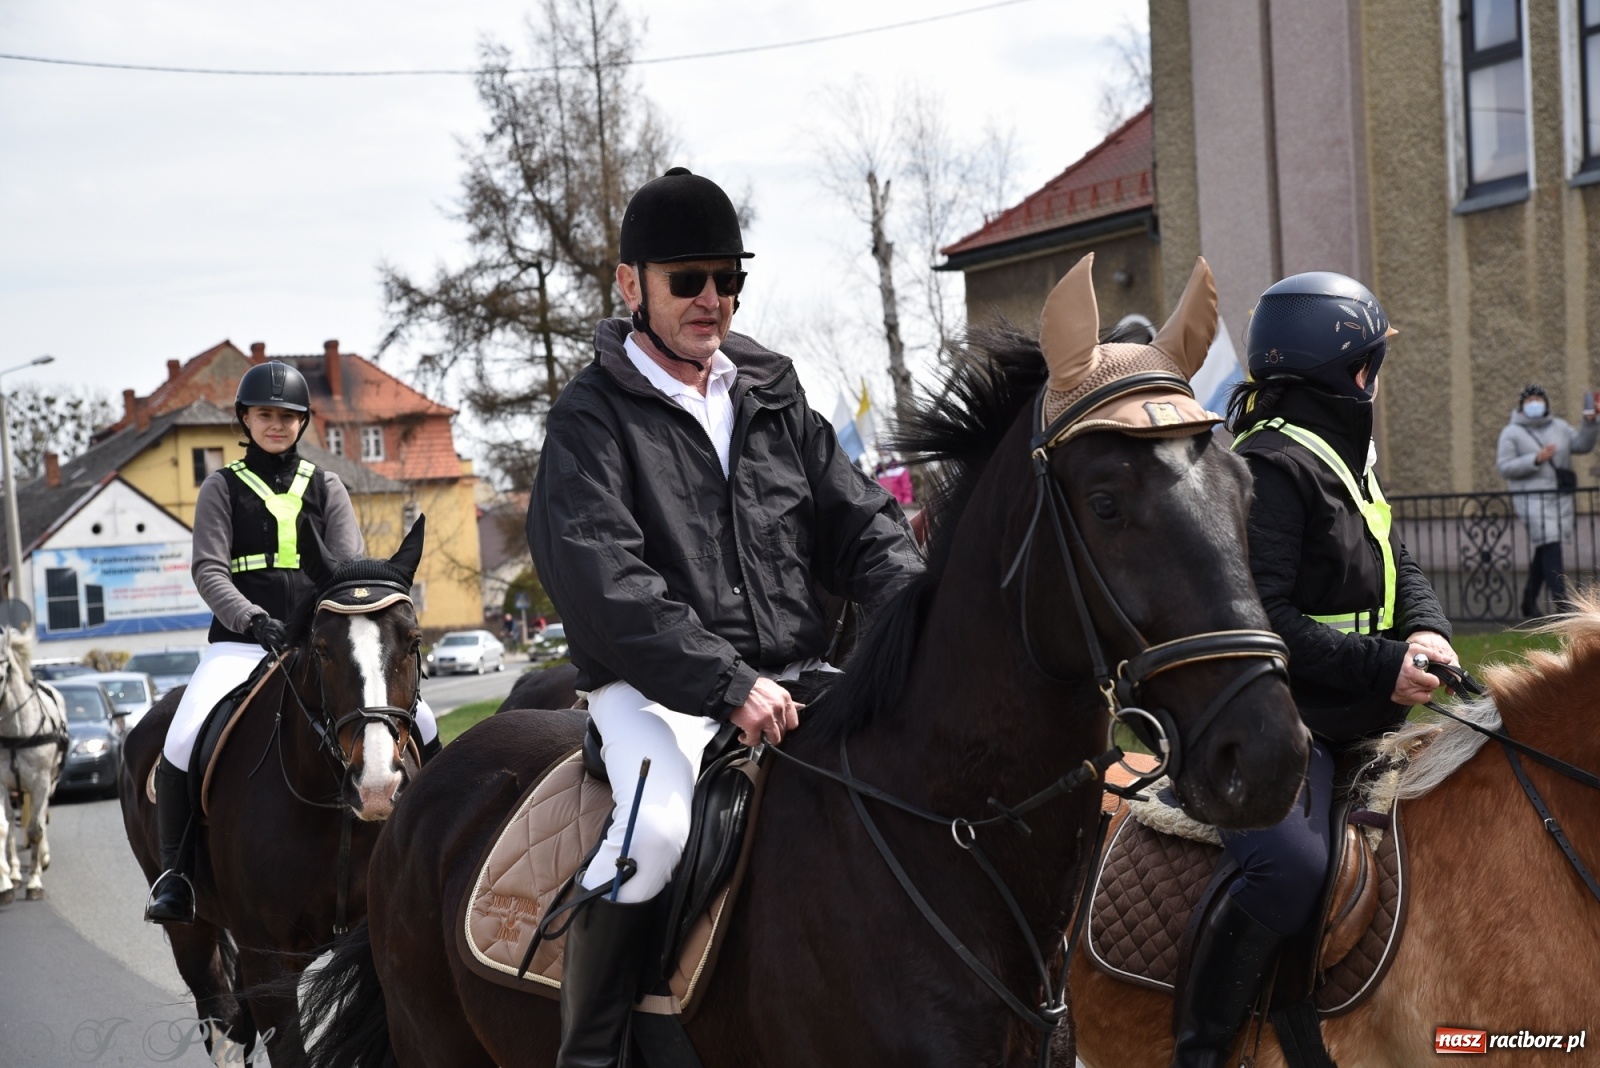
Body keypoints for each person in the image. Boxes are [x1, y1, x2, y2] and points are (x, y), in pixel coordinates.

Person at [527, 166, 921, 1067]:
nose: (713, 299)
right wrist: (726, 681)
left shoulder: (772, 393)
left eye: (728, 279)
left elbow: (863, 523)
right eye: (688, 280)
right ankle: (593, 1056)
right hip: (653, 693)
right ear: (630, 285)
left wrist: (918, 618)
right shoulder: (588, 419)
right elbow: (604, 580)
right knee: (657, 831)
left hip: (794, 677)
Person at [1171, 273, 1458, 1066]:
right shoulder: (1270, 467)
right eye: (1371, 363)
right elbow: (1266, 619)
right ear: (1347, 373)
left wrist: (1427, 631)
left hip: (1355, 709)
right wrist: (1383, 664)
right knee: (1290, 870)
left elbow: (1398, 560)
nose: (1376, 378)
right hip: (1278, 718)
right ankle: (1202, 1048)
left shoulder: (1343, 457)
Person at [144, 362, 440, 925]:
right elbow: (209, 570)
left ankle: (437, 841)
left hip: (319, 644)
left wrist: (323, 629)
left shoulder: (327, 485)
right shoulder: (221, 487)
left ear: (303, 422)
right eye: (265, 415)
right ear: (245, 420)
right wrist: (253, 620)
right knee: (182, 737)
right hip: (241, 644)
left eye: (287, 416)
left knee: (421, 720)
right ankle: (175, 875)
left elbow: (348, 571)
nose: (276, 425)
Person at [1496, 384, 1597, 617]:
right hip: (1532, 500)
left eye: (1538, 399)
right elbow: (1505, 466)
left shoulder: (1559, 427)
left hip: (1559, 499)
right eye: (1529, 400)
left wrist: (1590, 423)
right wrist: (1535, 459)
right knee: (1551, 543)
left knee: (1545, 548)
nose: (1534, 404)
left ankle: (1528, 601)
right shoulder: (1511, 433)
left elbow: (1582, 444)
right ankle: (1562, 604)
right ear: (1522, 405)